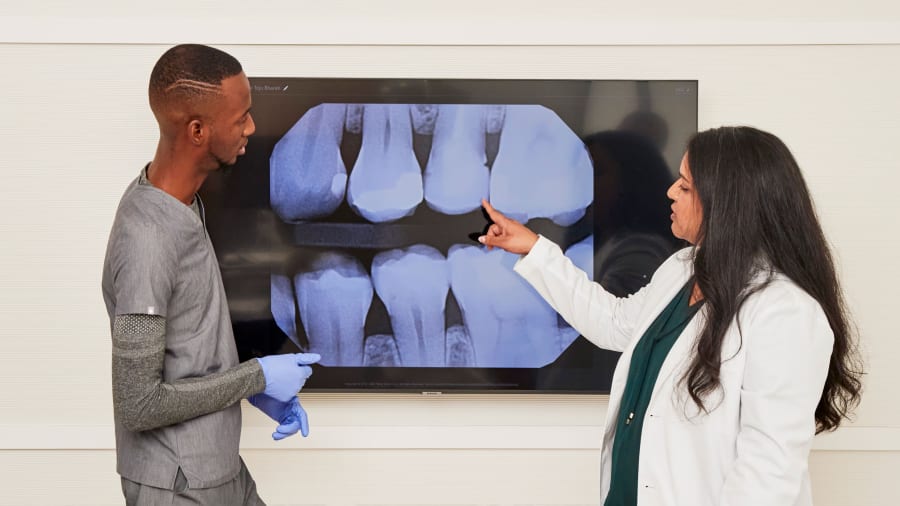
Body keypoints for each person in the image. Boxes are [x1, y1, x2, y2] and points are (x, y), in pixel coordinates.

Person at [478, 126, 862, 506]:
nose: (670, 192)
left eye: (685, 185)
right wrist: (533, 249)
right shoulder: (682, 268)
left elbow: (769, 469)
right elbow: (615, 323)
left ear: (726, 202)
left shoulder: (785, 312)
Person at [101, 44, 320, 506]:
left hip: (215, 469)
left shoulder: (182, 204)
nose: (251, 128)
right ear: (197, 130)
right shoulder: (147, 240)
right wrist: (256, 377)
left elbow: (188, 351)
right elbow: (139, 403)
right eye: (241, 118)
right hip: (178, 485)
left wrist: (256, 390)